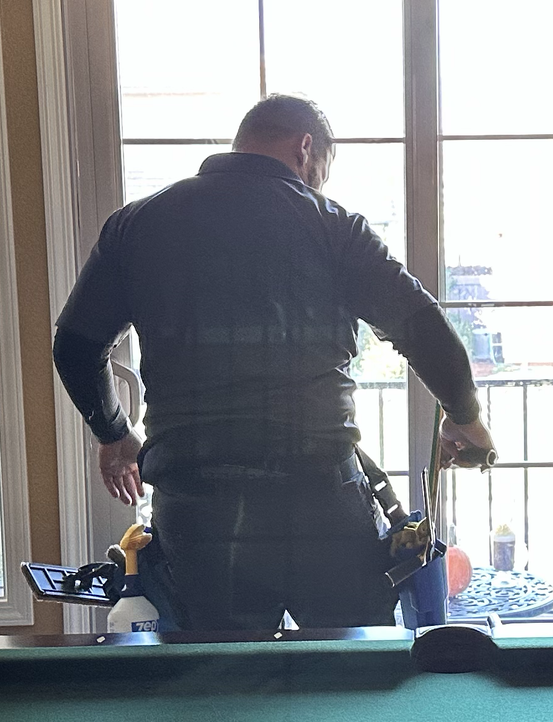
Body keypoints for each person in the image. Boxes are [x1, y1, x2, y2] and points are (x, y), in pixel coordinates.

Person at [53, 94, 495, 631]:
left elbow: (75, 347)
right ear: (305, 147)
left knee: (219, 688)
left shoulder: (137, 225)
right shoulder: (334, 228)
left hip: (198, 509)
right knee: (352, 678)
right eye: (322, 171)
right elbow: (423, 327)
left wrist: (114, 433)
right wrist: (465, 417)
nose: (318, 185)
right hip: (320, 501)